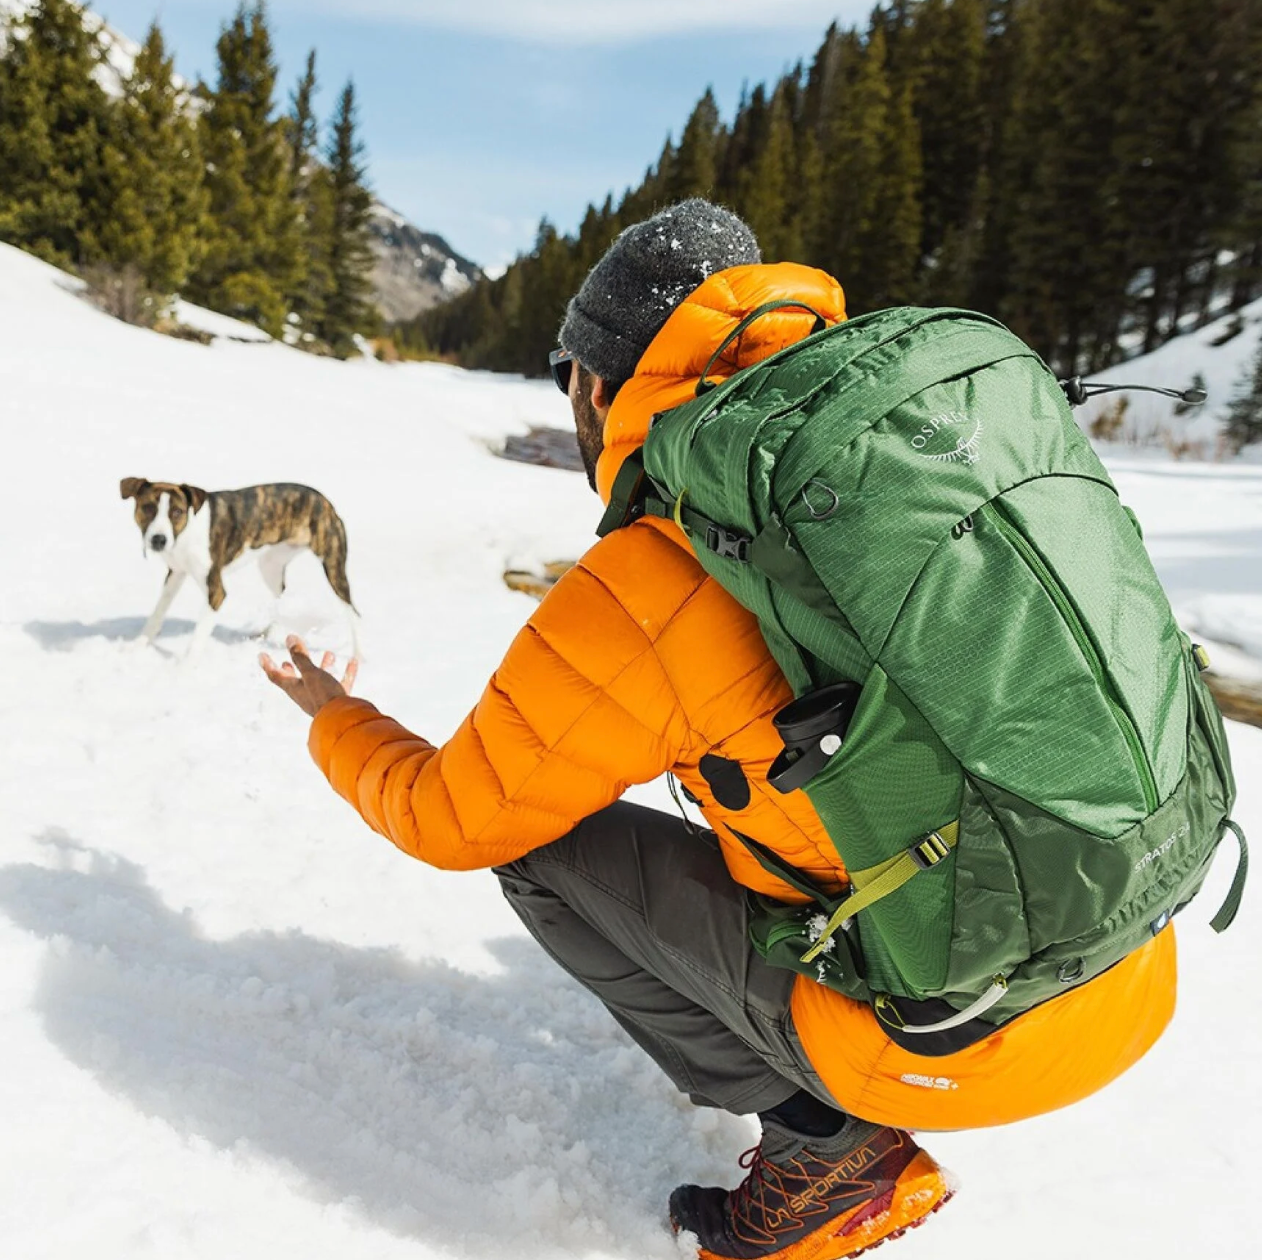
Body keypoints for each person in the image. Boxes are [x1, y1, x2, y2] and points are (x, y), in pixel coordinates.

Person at [260, 199, 1176, 1260]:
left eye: (565, 376)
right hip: (1131, 958)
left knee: (537, 852)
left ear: (597, 382)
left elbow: (451, 818)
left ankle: (825, 1154)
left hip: (957, 1040)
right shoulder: (921, 465)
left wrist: (335, 716)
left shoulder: (660, 569)